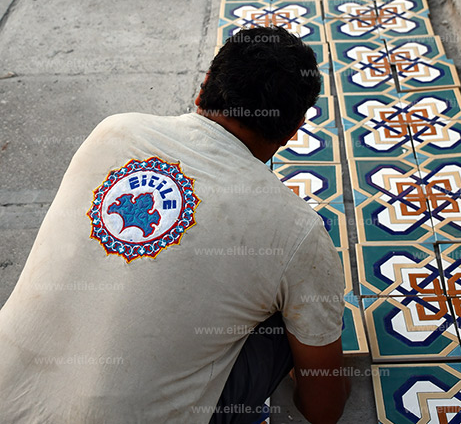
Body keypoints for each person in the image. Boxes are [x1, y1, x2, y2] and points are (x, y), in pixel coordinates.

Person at [0, 26, 350, 424]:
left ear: (203, 89)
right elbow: (324, 412)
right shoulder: (297, 230)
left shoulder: (114, 130)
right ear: (291, 132)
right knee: (290, 309)